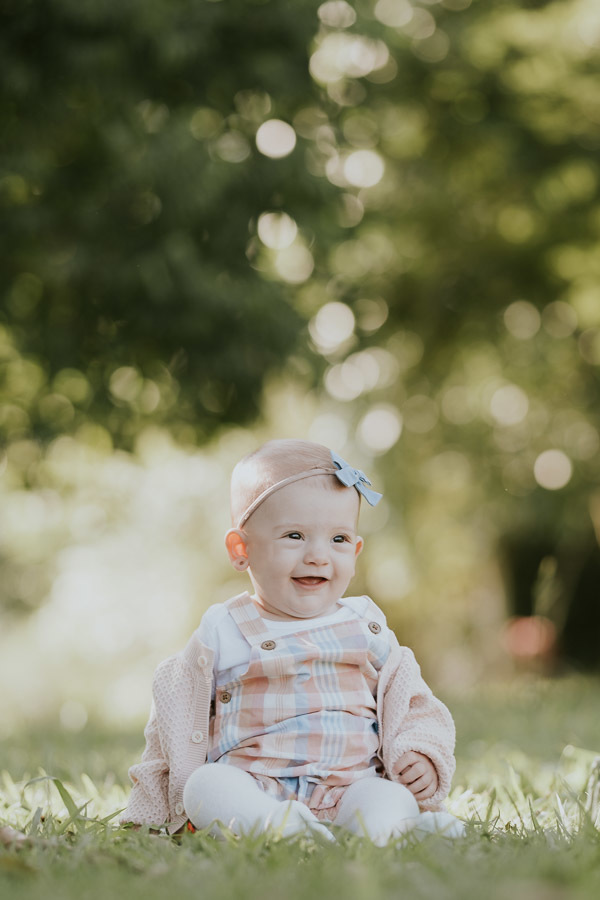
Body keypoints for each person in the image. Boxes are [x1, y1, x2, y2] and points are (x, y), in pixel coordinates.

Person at [121, 439, 464, 845]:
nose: (318, 555)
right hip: (254, 787)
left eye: (338, 539)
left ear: (355, 551)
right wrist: (149, 807)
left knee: (385, 799)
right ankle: (286, 829)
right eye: (295, 535)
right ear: (241, 549)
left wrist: (419, 752)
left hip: (350, 786)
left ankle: (397, 829)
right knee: (205, 787)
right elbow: (171, 720)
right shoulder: (224, 629)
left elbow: (413, 703)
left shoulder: (366, 627)